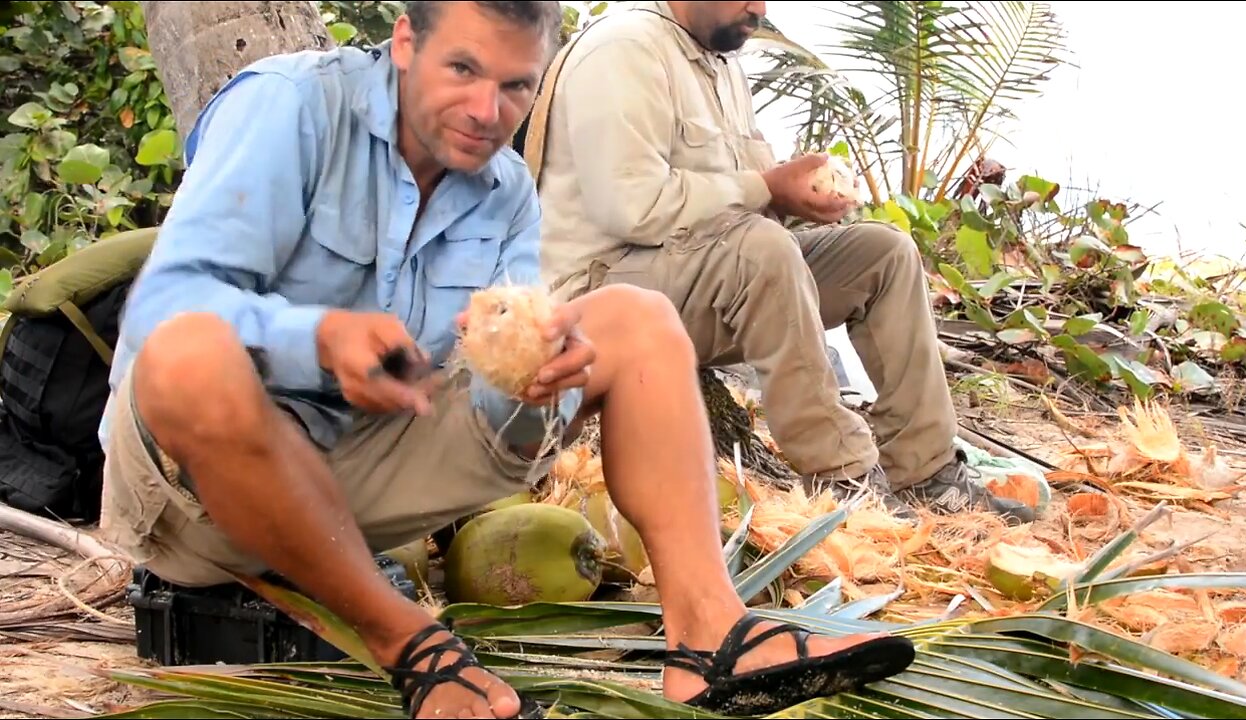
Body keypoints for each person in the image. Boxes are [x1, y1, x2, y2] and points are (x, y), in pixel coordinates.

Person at [96, 2, 917, 718]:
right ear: (406, 39)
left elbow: (497, 410)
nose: (487, 111)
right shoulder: (290, 107)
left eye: (517, 86)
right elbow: (165, 308)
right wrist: (314, 337)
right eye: (463, 68)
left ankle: (708, 638)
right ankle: (410, 645)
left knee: (634, 318)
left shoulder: (503, 192)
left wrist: (532, 387)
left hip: (354, 479)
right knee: (192, 352)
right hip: (197, 494)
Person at [533, 0, 1035, 526]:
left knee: (883, 254)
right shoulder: (625, 48)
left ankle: (924, 471)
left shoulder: (721, 64)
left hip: (704, 275)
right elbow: (631, 208)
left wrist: (797, 196)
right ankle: (842, 480)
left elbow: (738, 201)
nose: (759, 8)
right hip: (601, 297)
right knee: (762, 249)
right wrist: (765, 188)